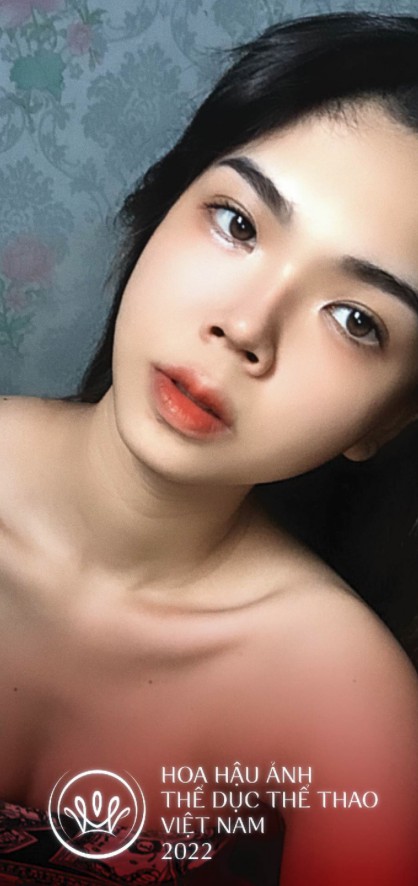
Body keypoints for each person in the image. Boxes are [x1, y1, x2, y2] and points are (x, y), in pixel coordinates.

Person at [0, 10, 417, 885]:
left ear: (387, 420)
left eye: (356, 320)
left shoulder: (348, 704)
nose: (245, 327)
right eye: (237, 222)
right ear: (159, 209)